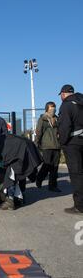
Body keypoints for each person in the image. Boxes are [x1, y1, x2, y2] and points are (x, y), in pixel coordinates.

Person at [58, 84, 83, 215]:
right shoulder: (81, 102)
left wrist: (63, 143)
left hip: (73, 143)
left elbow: (64, 127)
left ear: (63, 94)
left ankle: (79, 206)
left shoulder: (67, 105)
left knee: (76, 174)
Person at [35, 102, 61, 192]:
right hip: (46, 146)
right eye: (51, 108)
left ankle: (53, 185)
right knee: (47, 165)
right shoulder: (43, 119)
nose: (53, 110)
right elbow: (38, 132)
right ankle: (39, 178)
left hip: (57, 146)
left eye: (54, 108)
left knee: (55, 167)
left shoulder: (57, 119)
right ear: (47, 109)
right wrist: (36, 144)